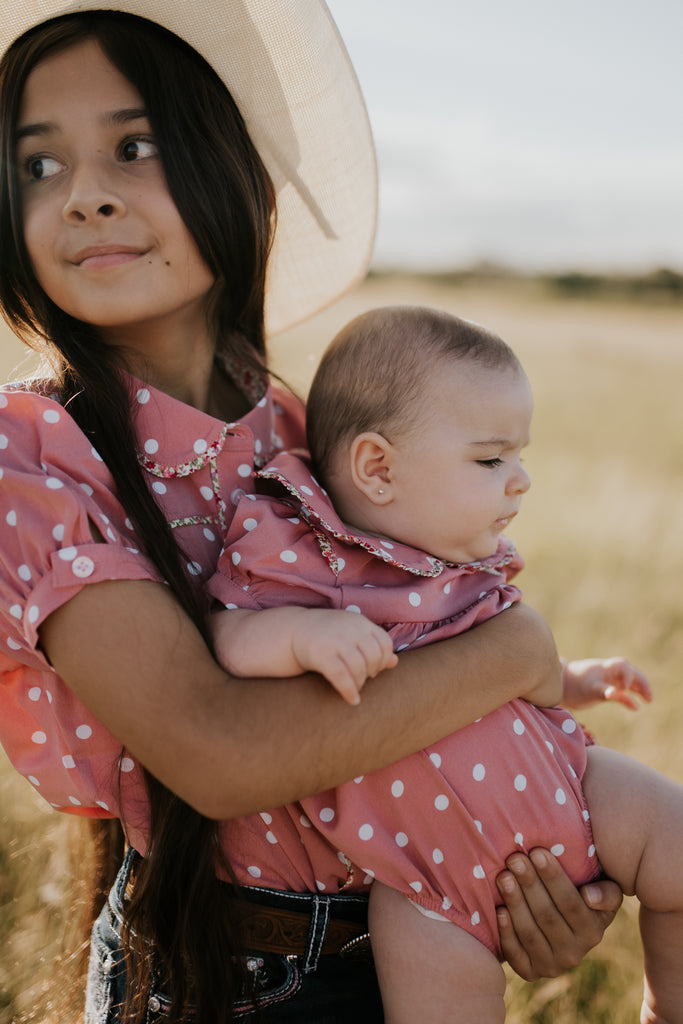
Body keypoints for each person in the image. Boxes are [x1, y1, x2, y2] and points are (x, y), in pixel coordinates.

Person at [0, 3, 623, 1022]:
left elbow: (401, 659)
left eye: (133, 145)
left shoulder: (293, 423)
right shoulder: (31, 455)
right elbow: (218, 753)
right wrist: (518, 651)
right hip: (222, 975)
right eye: (38, 166)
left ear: (236, 168)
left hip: (412, 936)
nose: (83, 198)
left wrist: (521, 873)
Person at [208, 305, 683, 1024]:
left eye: (520, 456)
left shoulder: (460, 562)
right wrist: (298, 636)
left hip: (565, 787)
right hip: (417, 883)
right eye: (491, 459)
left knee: (675, 835)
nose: (519, 479)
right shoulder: (299, 558)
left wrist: (576, 679)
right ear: (377, 468)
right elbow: (224, 638)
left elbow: (511, 669)